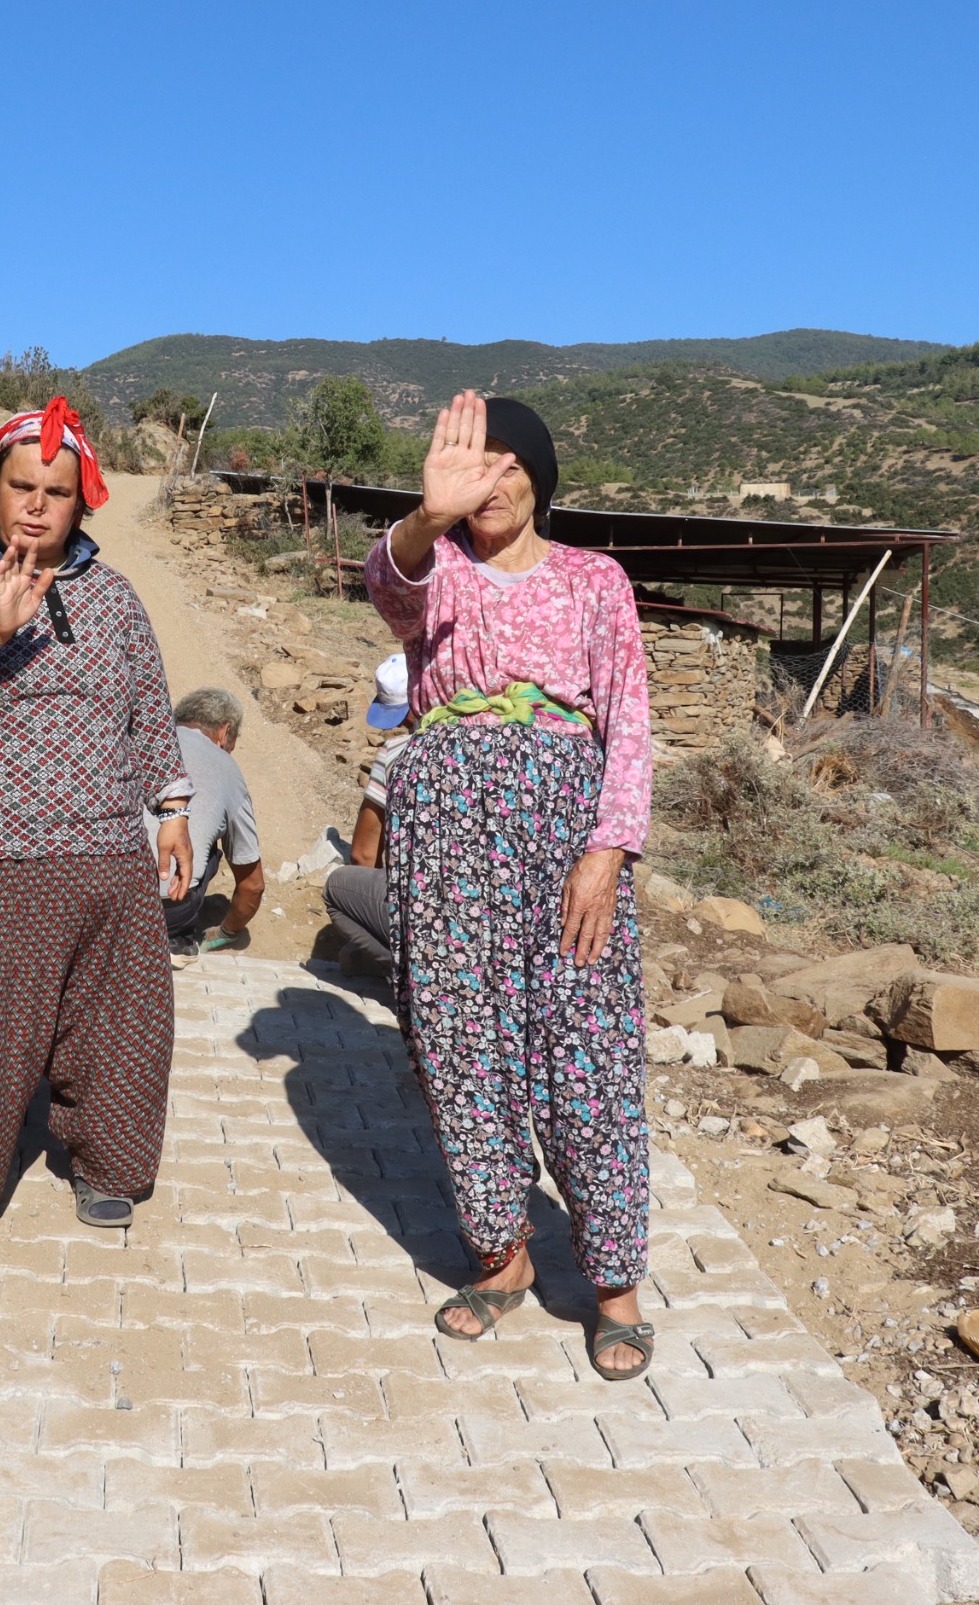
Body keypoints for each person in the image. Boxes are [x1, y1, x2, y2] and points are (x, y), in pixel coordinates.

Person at [365, 389, 656, 1379]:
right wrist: (427, 515)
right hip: (447, 819)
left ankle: (613, 1279)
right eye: (468, 465)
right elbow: (388, 580)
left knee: (588, 1048)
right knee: (459, 1042)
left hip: (564, 822)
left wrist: (607, 851)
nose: (489, 481)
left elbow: (629, 719)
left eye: (506, 464)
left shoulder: (592, 579)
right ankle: (502, 1256)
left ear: (537, 477)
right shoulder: (430, 569)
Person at [0, 399, 194, 1258]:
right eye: (20, 486)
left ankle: (106, 1166)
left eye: (55, 492)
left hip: (101, 851)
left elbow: (145, 710)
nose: (34, 505)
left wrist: (169, 812)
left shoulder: (115, 598)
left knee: (117, 1022)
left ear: (80, 501)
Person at [157, 688, 265, 960]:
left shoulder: (143, 743)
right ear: (225, 731)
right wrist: (225, 934)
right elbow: (253, 885)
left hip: (99, 892)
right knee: (212, 850)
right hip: (166, 909)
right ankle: (176, 939)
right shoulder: (228, 768)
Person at [322, 654, 411, 978]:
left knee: (337, 888)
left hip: (425, 911)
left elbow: (362, 853)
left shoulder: (396, 753)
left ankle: (407, 972)